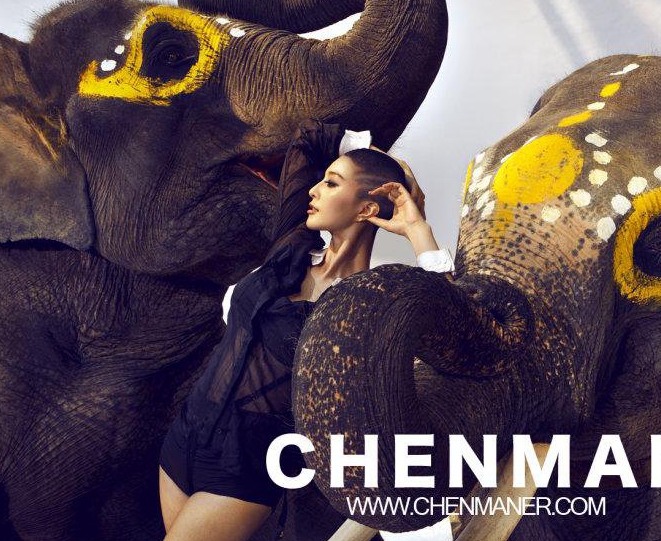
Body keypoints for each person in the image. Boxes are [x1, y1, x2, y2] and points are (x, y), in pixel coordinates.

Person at [157, 119, 455, 541]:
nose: (313, 190)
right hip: (186, 433)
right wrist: (393, 169)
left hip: (246, 464)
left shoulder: (365, 301)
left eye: (331, 184)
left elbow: (449, 322)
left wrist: (416, 228)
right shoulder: (292, 245)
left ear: (367, 209)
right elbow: (309, 137)